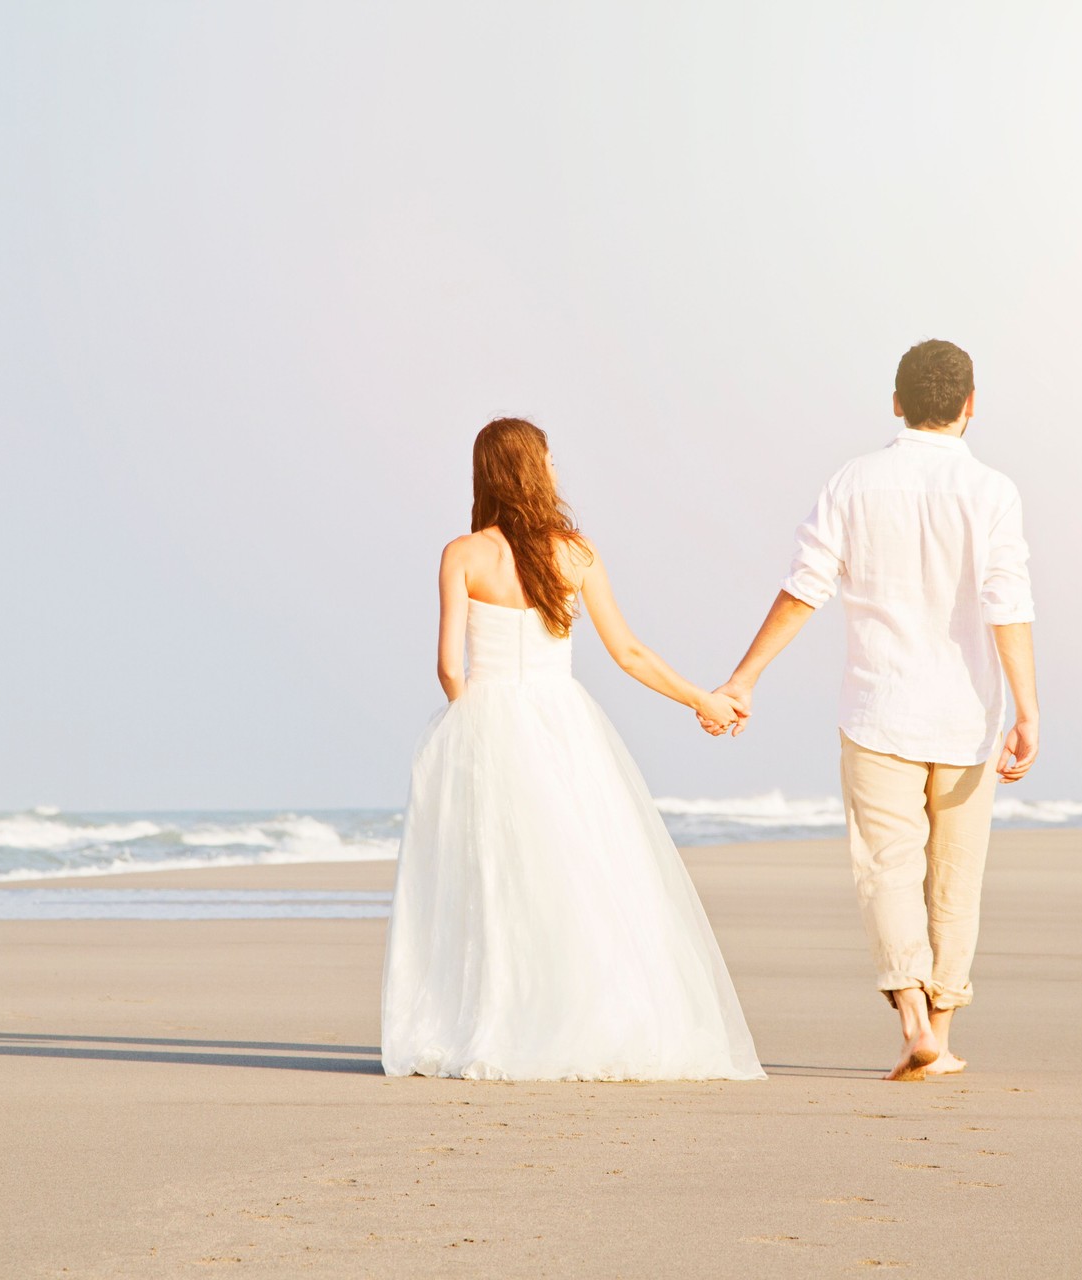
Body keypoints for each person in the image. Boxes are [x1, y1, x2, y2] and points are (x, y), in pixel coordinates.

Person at [380, 417, 764, 1082]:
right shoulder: (576, 553)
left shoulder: (463, 554)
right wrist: (702, 699)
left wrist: (469, 718)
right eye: (550, 460)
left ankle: (496, 1020)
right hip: (564, 722)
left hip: (487, 720)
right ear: (534, 470)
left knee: (495, 881)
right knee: (582, 871)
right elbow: (629, 653)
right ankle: (595, 1018)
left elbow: (448, 666)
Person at [704, 339, 1039, 1081]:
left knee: (886, 869)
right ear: (971, 405)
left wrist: (744, 677)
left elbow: (805, 588)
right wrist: (1028, 709)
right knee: (955, 877)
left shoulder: (854, 482)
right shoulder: (992, 491)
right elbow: (1006, 601)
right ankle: (940, 1035)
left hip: (878, 708)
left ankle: (913, 1021)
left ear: (896, 402)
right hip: (966, 717)